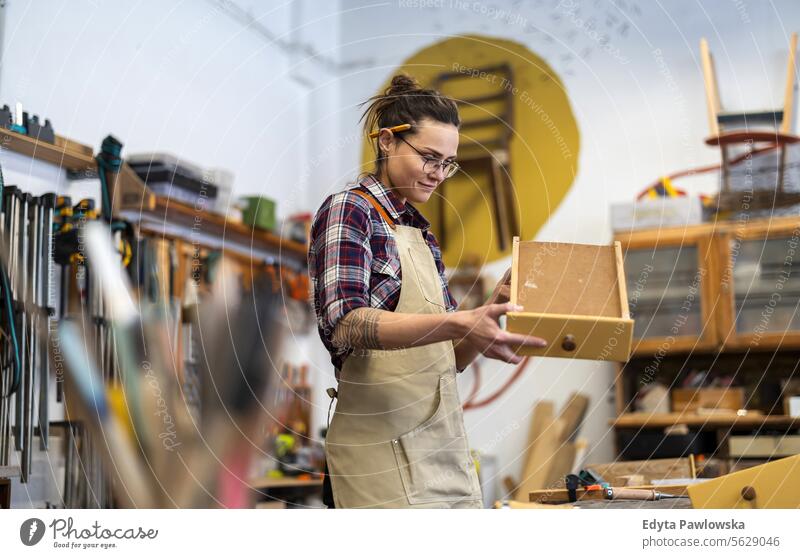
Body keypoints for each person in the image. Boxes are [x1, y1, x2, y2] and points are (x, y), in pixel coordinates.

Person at [308, 73, 546, 508]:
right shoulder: (351, 210)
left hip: (440, 451)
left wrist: (486, 316)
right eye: (430, 158)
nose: (439, 175)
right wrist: (457, 320)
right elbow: (346, 323)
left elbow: (444, 360)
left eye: (448, 163)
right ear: (386, 142)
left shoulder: (421, 233)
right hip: (378, 456)